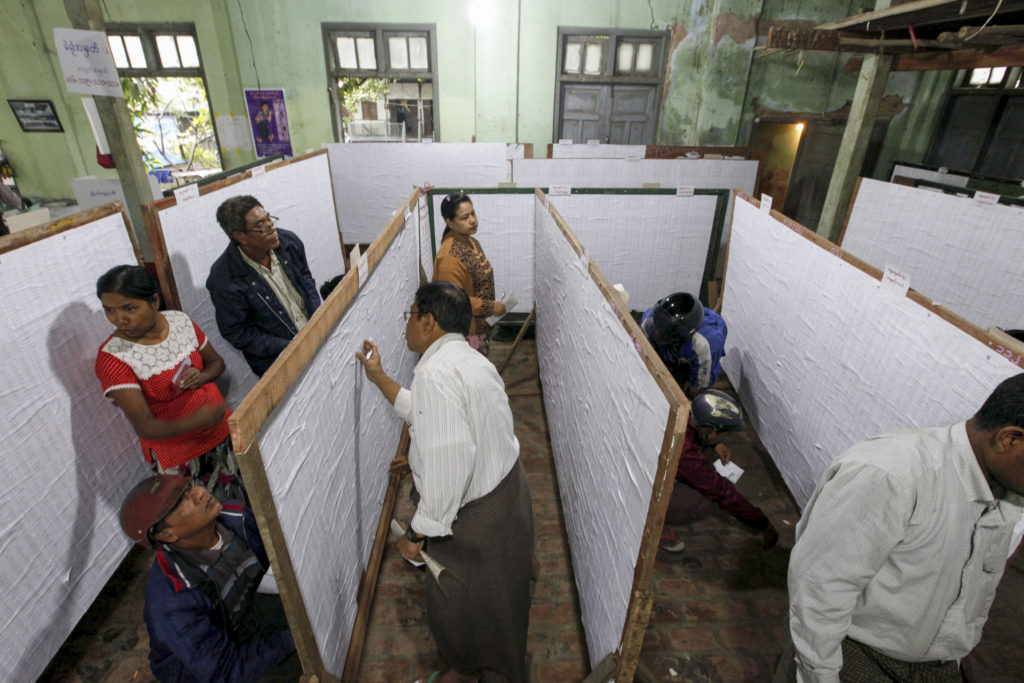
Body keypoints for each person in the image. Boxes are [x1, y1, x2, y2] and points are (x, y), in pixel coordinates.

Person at [780, 374, 1024, 682]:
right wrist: (821, 675)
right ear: (1009, 439)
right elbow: (820, 590)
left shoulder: (1007, 491)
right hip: (856, 656)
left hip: (937, 664)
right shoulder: (890, 475)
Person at [356, 281, 534, 683]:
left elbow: (448, 467)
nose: (407, 325)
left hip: (477, 520)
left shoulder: (435, 375)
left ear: (428, 321)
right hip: (508, 495)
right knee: (501, 601)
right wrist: (380, 377)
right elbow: (426, 412)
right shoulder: (467, 357)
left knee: (459, 606)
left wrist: (417, 533)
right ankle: (498, 664)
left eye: (410, 316)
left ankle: (475, 670)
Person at [119, 474, 297, 681]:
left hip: (247, 619)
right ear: (167, 535)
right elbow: (224, 672)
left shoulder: (236, 517)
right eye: (182, 501)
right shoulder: (172, 601)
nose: (200, 493)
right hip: (208, 670)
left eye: (189, 488)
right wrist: (294, 640)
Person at [95, 265, 244, 502]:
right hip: (180, 457)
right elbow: (145, 426)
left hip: (222, 432)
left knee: (246, 501)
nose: (119, 319)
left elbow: (216, 362)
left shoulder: (179, 322)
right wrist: (196, 421)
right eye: (109, 310)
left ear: (154, 301)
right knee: (208, 518)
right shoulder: (114, 357)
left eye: (129, 308)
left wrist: (203, 377)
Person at [207, 195, 321, 377]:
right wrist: (291, 347)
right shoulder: (224, 279)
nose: (271, 227)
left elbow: (306, 279)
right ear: (240, 236)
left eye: (269, 219)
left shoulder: (288, 242)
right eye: (261, 226)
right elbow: (238, 333)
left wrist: (318, 318)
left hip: (316, 336)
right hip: (281, 363)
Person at [660, 390, 779, 553]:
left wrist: (715, 443)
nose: (727, 439)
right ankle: (654, 524)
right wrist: (762, 523)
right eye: (724, 434)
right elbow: (721, 492)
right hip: (643, 482)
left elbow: (699, 430)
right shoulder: (685, 452)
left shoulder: (683, 406)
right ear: (711, 431)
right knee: (702, 502)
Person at [433, 192, 506, 356]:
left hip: (480, 327)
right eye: (465, 217)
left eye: (473, 213)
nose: (473, 220)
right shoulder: (449, 257)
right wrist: (491, 307)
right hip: (464, 334)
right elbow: (455, 302)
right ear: (450, 223)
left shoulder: (472, 242)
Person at [641, 292, 727, 396]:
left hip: (700, 351)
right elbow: (643, 350)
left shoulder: (707, 344)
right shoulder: (649, 321)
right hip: (673, 340)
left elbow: (701, 378)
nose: (657, 333)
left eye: (662, 332)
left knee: (692, 391)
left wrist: (694, 385)